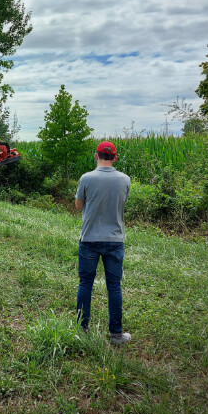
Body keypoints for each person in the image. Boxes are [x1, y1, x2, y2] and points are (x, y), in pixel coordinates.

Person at [75, 141, 132, 344]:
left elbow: (78, 205)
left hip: (89, 239)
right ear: (115, 157)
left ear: (96, 156)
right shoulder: (125, 180)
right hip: (115, 240)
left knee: (86, 284)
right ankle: (116, 334)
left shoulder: (86, 178)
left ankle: (82, 330)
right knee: (114, 286)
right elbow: (121, 202)